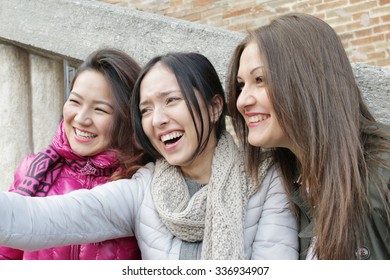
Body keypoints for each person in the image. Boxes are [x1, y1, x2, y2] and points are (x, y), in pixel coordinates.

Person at [0, 52, 298, 260]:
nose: (157, 120)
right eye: (145, 110)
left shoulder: (266, 179)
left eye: (171, 100)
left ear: (214, 107)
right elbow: (42, 219)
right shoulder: (144, 189)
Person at [226, 12, 390, 260]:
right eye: (241, 85)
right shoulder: (290, 186)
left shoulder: (382, 173)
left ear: (307, 80)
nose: (242, 101)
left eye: (260, 80)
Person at [0, 48, 150, 260]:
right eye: (75, 101)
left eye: (100, 109)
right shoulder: (33, 170)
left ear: (127, 118)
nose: (81, 118)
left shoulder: (139, 183)